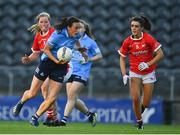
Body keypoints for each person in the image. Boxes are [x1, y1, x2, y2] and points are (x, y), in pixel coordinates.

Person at [13, 16, 83, 127]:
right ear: (69, 27)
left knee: (52, 98)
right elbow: (45, 49)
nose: (78, 29)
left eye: (79, 27)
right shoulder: (58, 34)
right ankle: (20, 103)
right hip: (47, 63)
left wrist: (81, 50)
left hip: (61, 66)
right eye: (76, 27)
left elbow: (77, 41)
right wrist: (54, 60)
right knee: (32, 94)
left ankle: (35, 117)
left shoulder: (76, 34)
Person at [13, 12, 61, 126]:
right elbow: (35, 53)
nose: (44, 24)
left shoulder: (55, 33)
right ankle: (20, 103)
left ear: (50, 23)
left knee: (48, 93)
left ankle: (50, 116)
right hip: (44, 65)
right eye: (41, 22)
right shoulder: (38, 36)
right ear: (38, 24)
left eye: (46, 21)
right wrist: (28, 59)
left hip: (56, 66)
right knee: (33, 93)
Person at [118, 14, 164, 129]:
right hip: (134, 72)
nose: (133, 28)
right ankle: (139, 122)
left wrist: (147, 64)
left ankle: (141, 112)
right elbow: (122, 58)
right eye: (132, 26)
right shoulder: (127, 41)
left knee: (146, 103)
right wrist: (124, 74)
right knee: (135, 98)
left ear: (141, 27)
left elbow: (161, 54)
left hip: (149, 72)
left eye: (136, 26)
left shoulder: (148, 39)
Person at [59, 20, 103, 127]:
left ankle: (64, 120)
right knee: (72, 98)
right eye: (77, 27)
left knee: (71, 95)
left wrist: (89, 59)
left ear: (85, 30)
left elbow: (99, 56)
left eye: (81, 28)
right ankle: (90, 114)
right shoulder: (71, 40)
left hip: (82, 72)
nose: (79, 29)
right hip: (70, 71)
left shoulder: (90, 42)